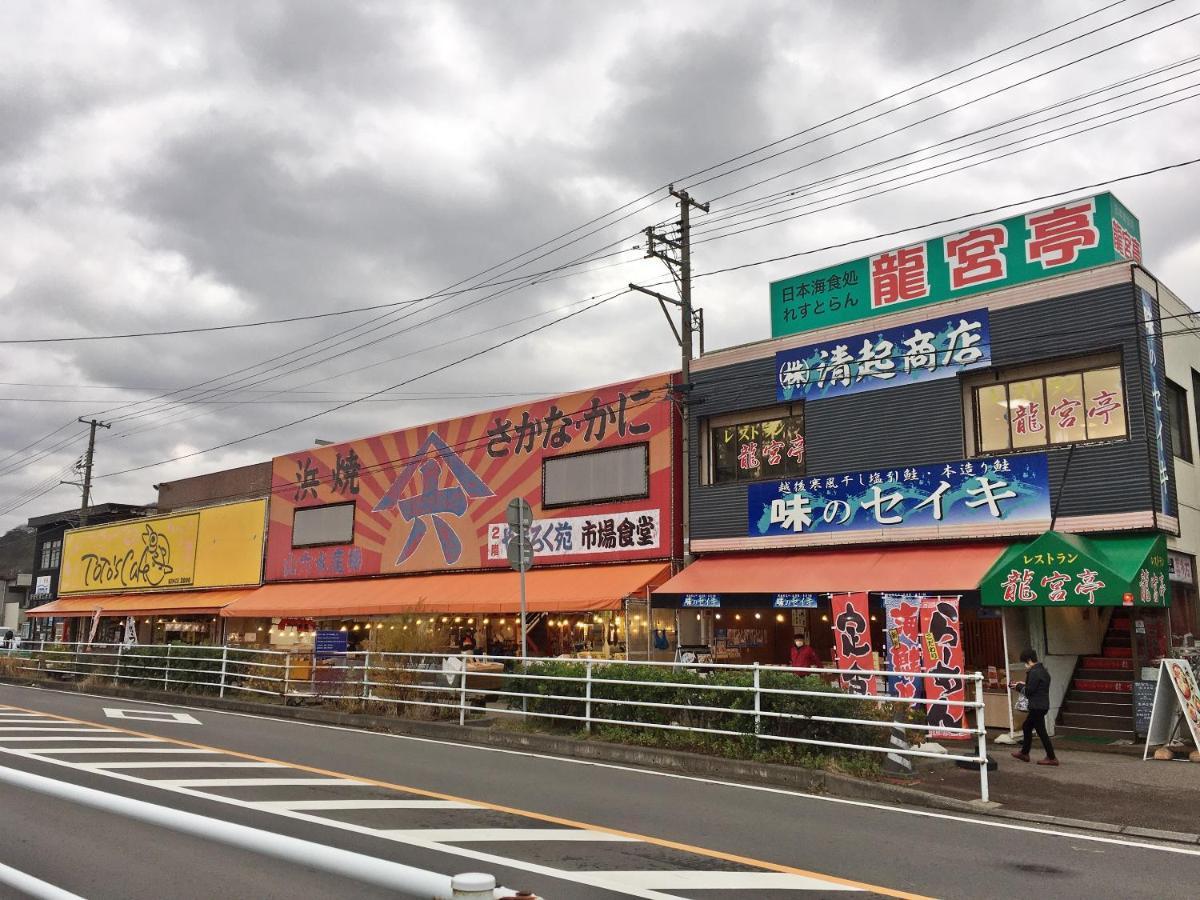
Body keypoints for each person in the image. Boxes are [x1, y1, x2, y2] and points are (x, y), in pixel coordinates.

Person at [1011, 648, 1058, 766]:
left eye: (1025, 662)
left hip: (1036, 706)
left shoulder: (1034, 672)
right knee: (1027, 726)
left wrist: (1017, 687)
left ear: (1029, 660)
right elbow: (1036, 687)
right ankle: (1024, 753)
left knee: (1041, 731)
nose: (1025, 665)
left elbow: (1030, 691)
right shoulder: (1043, 671)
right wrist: (1023, 684)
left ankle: (1051, 757)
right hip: (1042, 705)